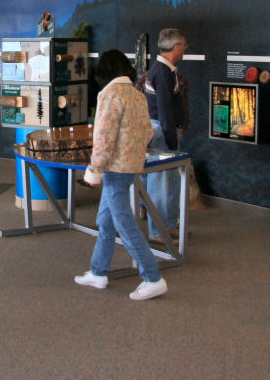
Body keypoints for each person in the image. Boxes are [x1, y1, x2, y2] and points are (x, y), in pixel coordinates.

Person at [74, 49, 167, 301]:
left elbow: (103, 138)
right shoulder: (136, 95)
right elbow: (148, 132)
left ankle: (152, 277)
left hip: (114, 168)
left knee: (124, 223)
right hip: (130, 165)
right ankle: (98, 271)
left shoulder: (110, 94)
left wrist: (94, 171)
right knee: (105, 220)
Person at [142, 28, 187, 243]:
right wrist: (171, 143)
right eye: (184, 45)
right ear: (175, 47)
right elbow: (165, 111)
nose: (185, 49)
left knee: (169, 182)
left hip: (162, 130)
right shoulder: (162, 72)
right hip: (161, 132)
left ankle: (167, 225)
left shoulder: (165, 70)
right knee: (161, 184)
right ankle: (158, 231)